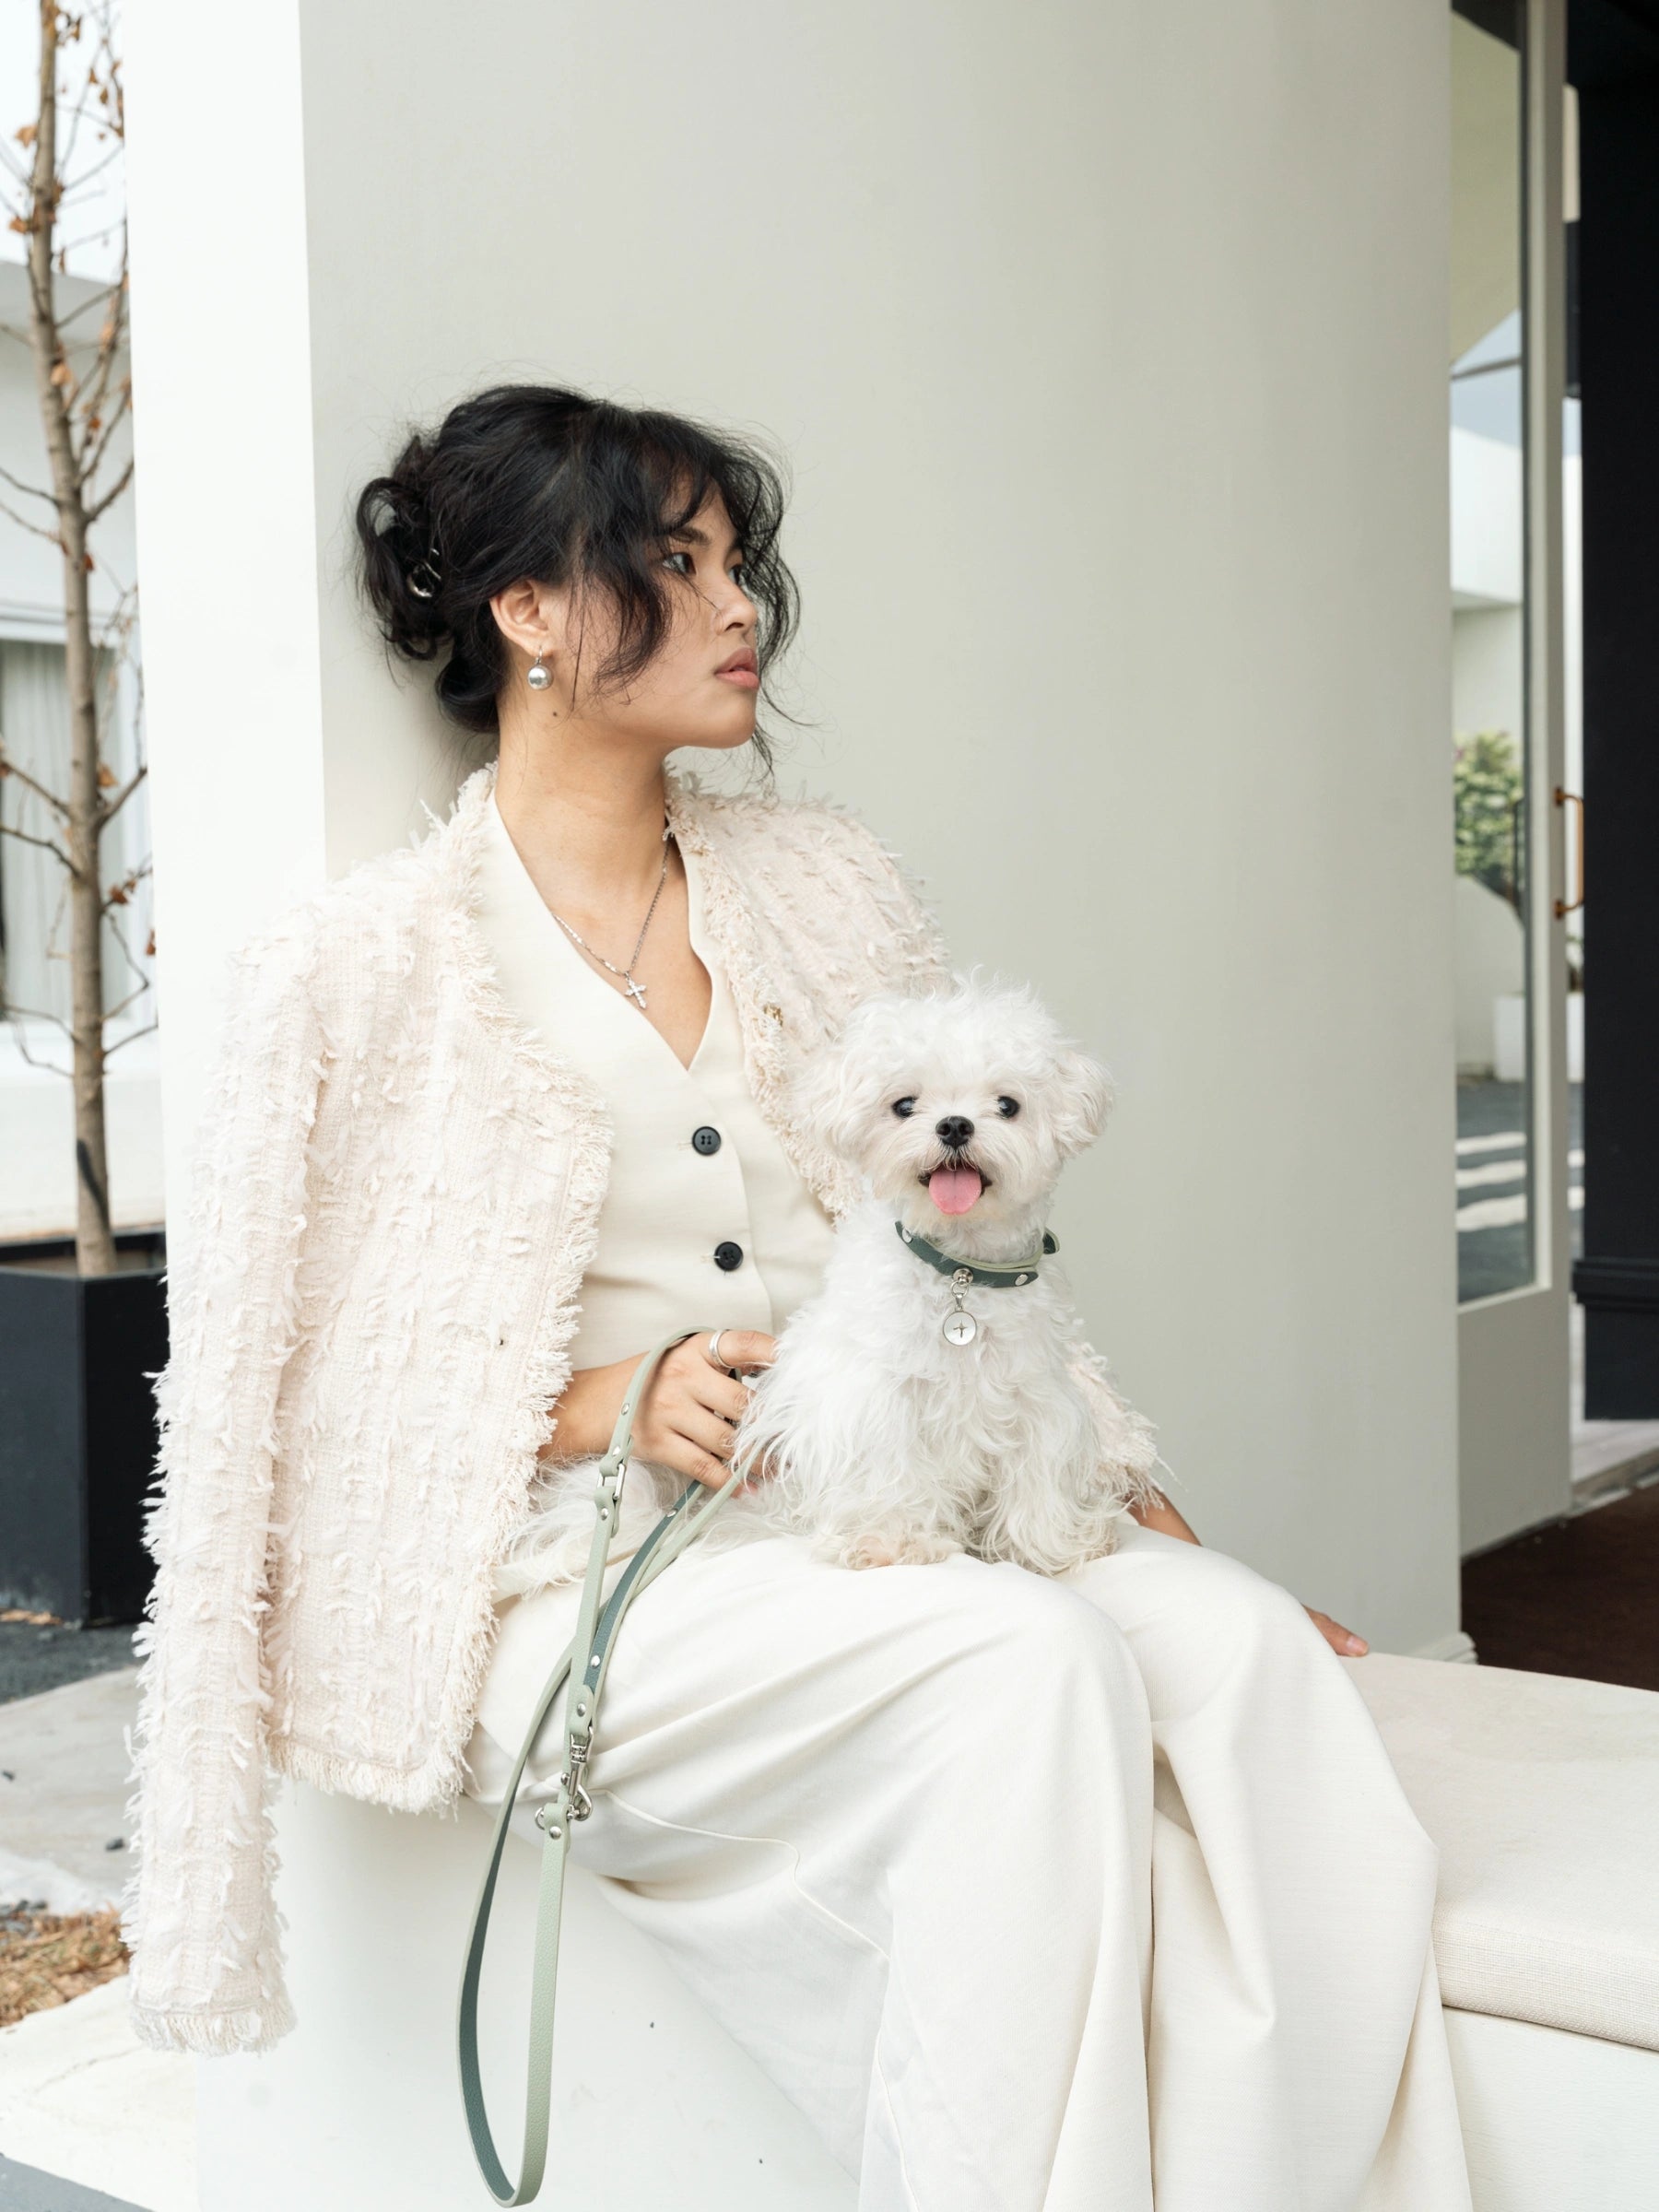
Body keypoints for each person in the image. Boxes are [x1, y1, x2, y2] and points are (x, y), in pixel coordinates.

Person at [123, 383, 1470, 2210]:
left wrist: (1141, 1510)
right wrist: (595, 1402)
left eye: (736, 561)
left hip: (877, 1504)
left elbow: (966, 1257)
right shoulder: (364, 972)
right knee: (1026, 1668)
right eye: (679, 564)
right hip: (583, 1583)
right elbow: (268, 1410)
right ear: (529, 609)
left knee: (1239, 1655)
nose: (739, 602)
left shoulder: (820, 885)